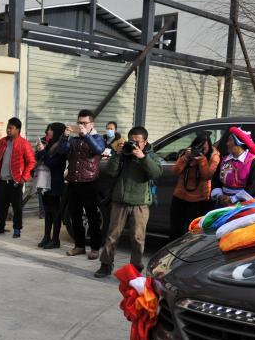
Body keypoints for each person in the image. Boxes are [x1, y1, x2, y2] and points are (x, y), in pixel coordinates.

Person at [95, 126, 163, 278]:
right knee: (112, 235)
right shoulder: (123, 154)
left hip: (140, 203)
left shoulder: (150, 156)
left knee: (138, 238)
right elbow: (110, 172)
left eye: (137, 142)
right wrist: (117, 155)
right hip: (120, 201)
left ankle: (135, 268)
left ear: (145, 142)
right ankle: (105, 264)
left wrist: (143, 157)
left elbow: (156, 173)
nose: (133, 144)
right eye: (131, 141)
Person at [58, 109, 106, 258]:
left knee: (92, 216)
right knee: (75, 215)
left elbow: (98, 149)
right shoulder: (74, 139)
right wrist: (65, 136)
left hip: (90, 182)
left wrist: (85, 135)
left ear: (92, 124)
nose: (81, 126)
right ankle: (79, 246)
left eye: (84, 123)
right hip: (73, 182)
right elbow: (62, 150)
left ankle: (95, 248)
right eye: (79, 123)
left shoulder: (98, 138)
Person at [0, 117, 35, 238]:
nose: (8, 130)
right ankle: (0, 226)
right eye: (7, 127)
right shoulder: (3, 141)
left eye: (11, 128)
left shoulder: (23, 143)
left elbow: (31, 162)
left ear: (18, 129)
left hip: (16, 181)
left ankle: (17, 228)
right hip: (2, 180)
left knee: (17, 207)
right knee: (0, 206)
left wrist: (23, 178)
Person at [169, 134, 220, 240]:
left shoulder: (213, 156)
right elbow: (175, 171)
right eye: (198, 147)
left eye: (204, 148)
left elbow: (207, 176)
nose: (201, 151)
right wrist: (185, 158)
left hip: (200, 199)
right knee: (175, 229)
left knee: (194, 230)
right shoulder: (187, 154)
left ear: (209, 147)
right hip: (180, 196)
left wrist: (202, 160)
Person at [211, 126, 255, 206]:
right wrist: (220, 196)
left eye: (230, 140)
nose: (227, 143)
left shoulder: (254, 162)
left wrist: (233, 199)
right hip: (223, 203)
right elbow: (216, 181)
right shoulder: (224, 160)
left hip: (243, 204)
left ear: (239, 143)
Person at [34, 122, 67, 249]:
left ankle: (55, 240)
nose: (48, 132)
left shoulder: (61, 147)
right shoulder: (51, 144)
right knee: (47, 211)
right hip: (45, 182)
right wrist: (39, 150)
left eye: (51, 130)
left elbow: (51, 163)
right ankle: (46, 237)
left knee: (55, 211)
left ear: (57, 132)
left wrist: (42, 152)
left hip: (55, 182)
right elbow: (42, 158)